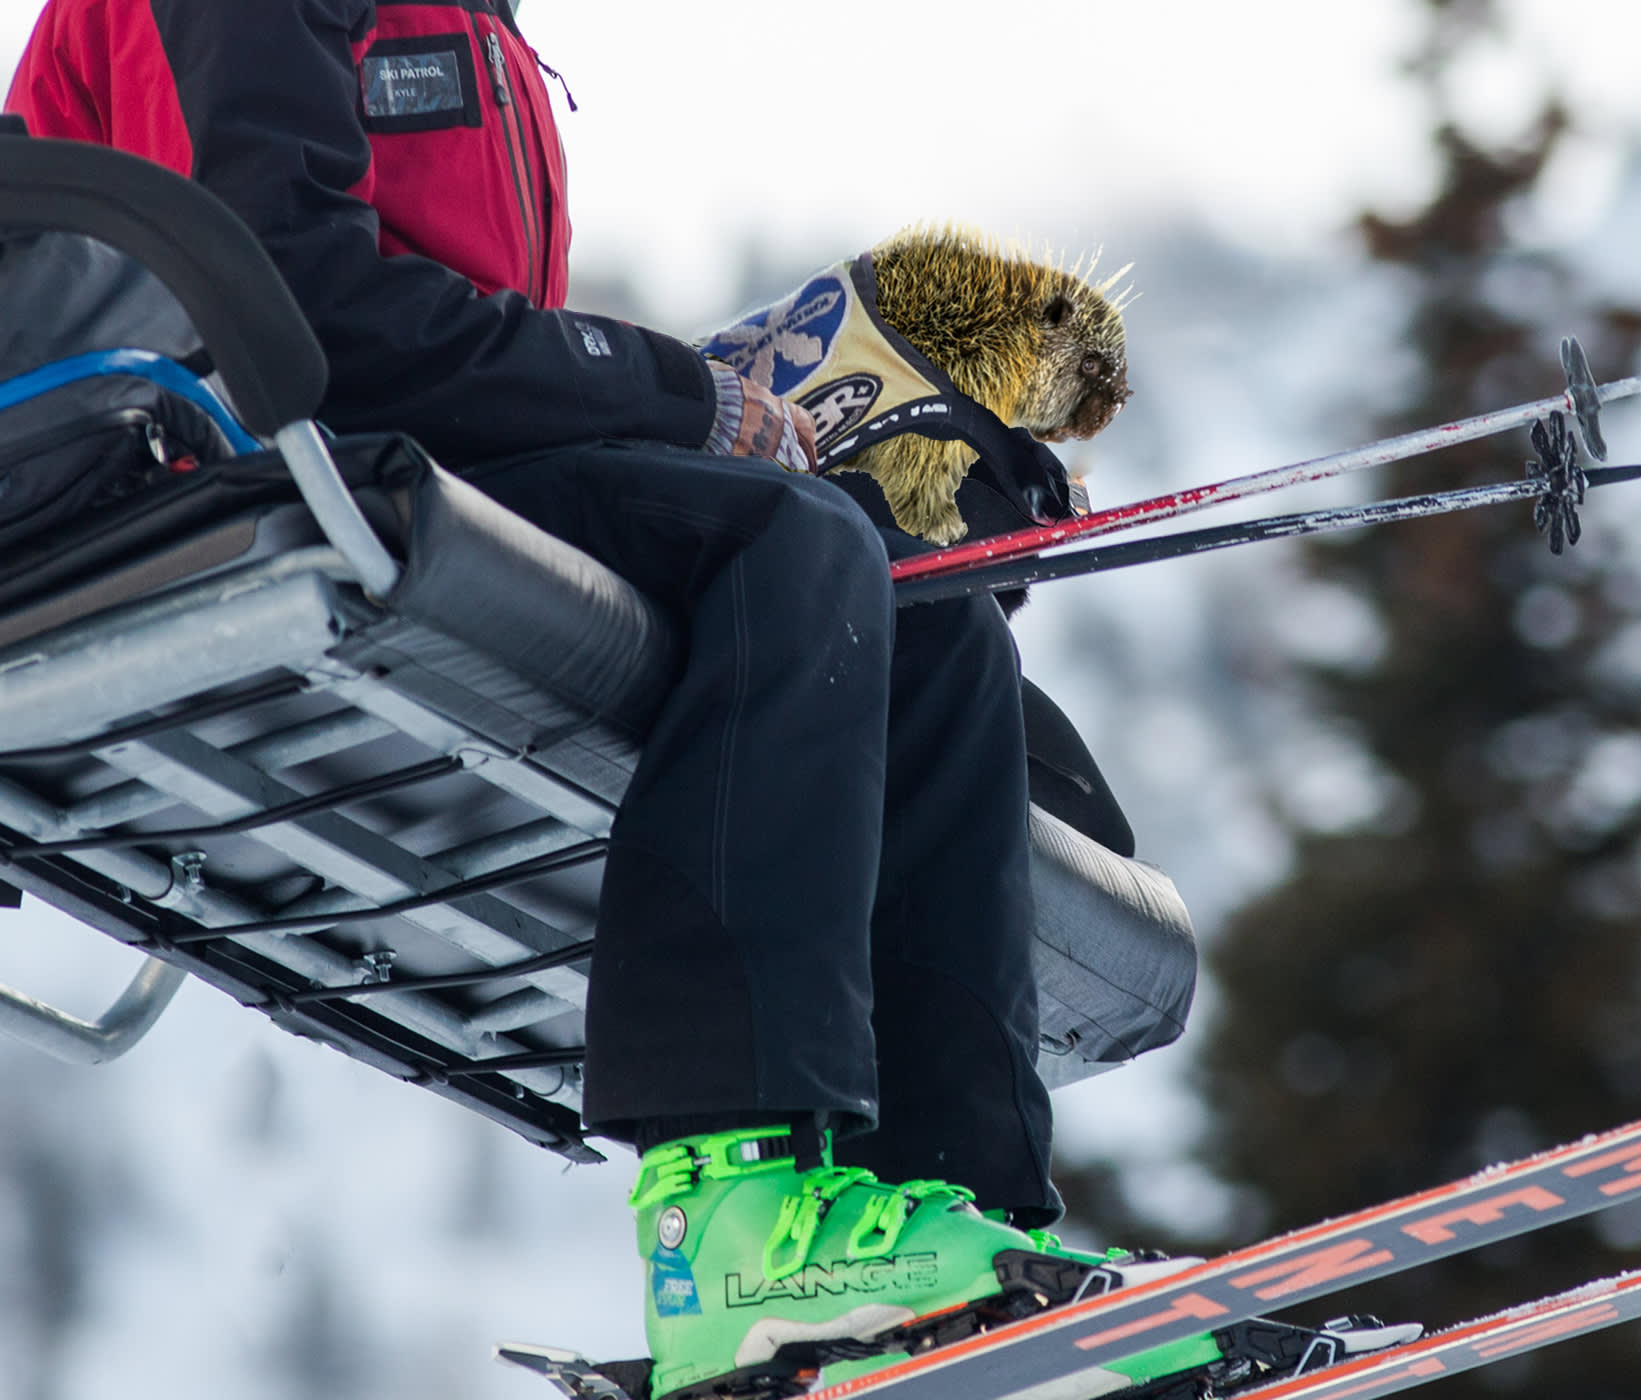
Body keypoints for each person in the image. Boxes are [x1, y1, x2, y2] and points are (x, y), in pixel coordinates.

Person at [4, 1, 1206, 1393]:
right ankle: (732, 1221)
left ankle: (953, 1225)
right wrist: (674, 398)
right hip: (181, 445)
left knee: (922, 615)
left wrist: (749, 404)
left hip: (368, 443)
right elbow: (305, 294)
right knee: (789, 543)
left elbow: (428, 329)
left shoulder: (476, 33)